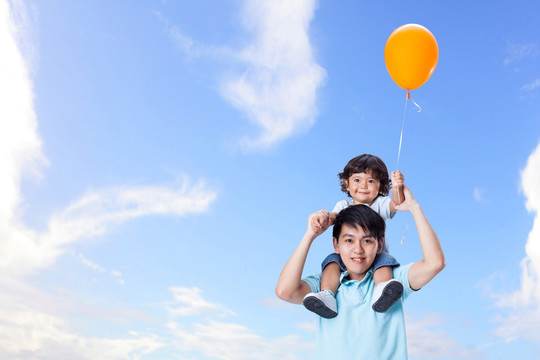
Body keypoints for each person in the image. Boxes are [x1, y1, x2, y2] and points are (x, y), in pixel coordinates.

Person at [275, 186, 445, 359]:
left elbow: (435, 263)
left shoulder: (392, 282)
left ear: (379, 245)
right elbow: (285, 291)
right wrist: (309, 235)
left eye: (367, 241)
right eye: (349, 240)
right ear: (336, 245)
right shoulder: (325, 283)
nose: (358, 249)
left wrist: (414, 208)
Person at [304, 154, 405, 318]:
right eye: (357, 180)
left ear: (381, 187)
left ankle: (382, 291)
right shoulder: (344, 205)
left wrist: (397, 187)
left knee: (384, 262)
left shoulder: (380, 204)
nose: (364, 185)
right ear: (347, 184)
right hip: (348, 259)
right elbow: (334, 216)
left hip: (374, 256)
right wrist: (325, 218)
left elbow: (397, 204)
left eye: (371, 181)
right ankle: (328, 296)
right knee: (331, 262)